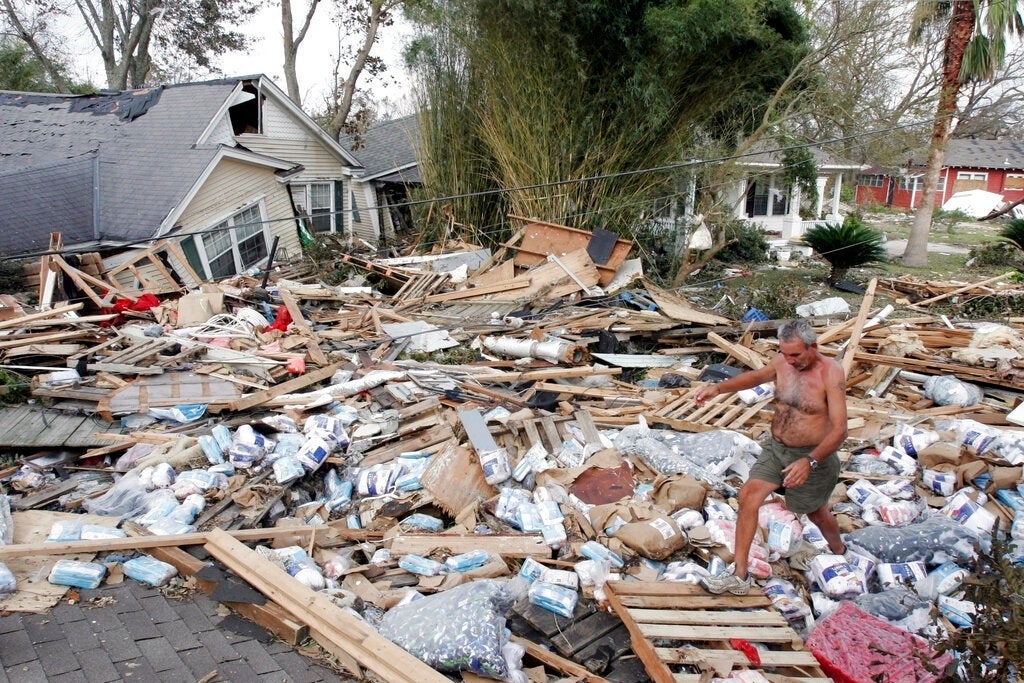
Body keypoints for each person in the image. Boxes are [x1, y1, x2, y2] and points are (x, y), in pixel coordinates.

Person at [693, 319, 848, 595]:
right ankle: (739, 575)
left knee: (816, 512)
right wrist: (718, 388)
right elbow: (756, 377)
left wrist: (809, 461)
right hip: (776, 449)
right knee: (748, 496)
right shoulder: (783, 362)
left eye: (796, 355)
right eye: (785, 353)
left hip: (812, 457)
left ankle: (840, 552)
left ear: (813, 347)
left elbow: (840, 430)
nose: (789, 360)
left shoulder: (831, 374)